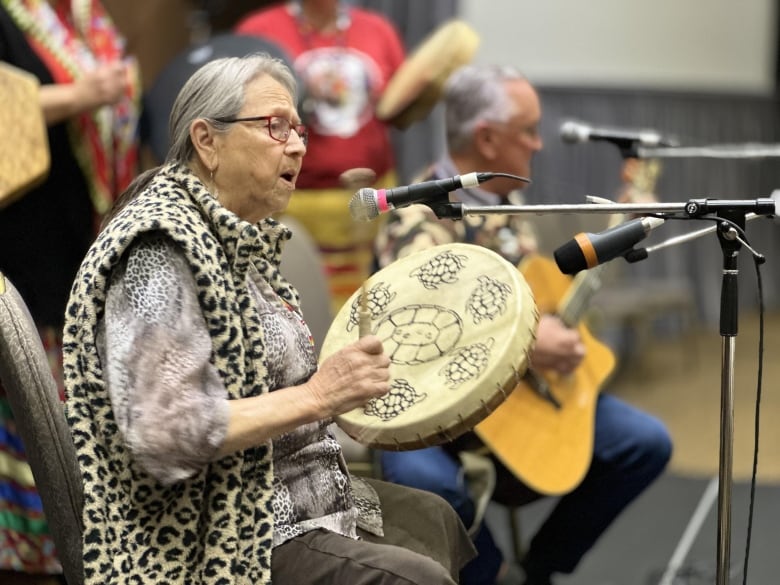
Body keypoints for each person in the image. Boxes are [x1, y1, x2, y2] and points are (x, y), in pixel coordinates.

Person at [62, 52, 475, 585]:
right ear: (207, 140)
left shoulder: (233, 235)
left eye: (300, 129)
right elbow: (167, 434)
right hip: (215, 532)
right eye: (276, 127)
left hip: (281, 493)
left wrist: (351, 389)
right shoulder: (159, 246)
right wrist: (321, 395)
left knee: (438, 519)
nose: (299, 145)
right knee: (417, 576)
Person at [373, 64, 673, 585]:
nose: (538, 144)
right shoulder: (416, 217)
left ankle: (539, 570)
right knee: (432, 487)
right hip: (439, 417)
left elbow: (538, 292)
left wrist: (617, 236)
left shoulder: (509, 203)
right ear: (487, 139)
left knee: (645, 442)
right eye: (528, 130)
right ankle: (492, 572)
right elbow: (420, 335)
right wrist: (530, 344)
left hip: (517, 400)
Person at [0, 0, 139, 581]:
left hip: (74, 227)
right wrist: (88, 94)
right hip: (17, 225)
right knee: (22, 381)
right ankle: (26, 547)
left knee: (63, 386)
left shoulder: (82, 16)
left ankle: (67, 537)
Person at [235, 0, 406, 314]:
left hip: (366, 207)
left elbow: (399, 109)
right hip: (292, 207)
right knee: (297, 308)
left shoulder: (378, 31)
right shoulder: (258, 32)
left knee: (370, 309)